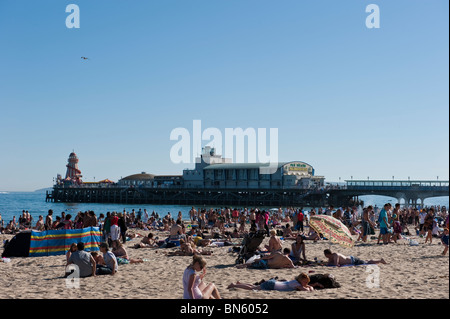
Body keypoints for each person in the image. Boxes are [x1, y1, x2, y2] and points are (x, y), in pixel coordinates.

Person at [227, 272, 315, 292]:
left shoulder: (295, 281)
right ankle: (234, 285)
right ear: (301, 280)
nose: (305, 283)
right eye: (305, 282)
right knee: (252, 288)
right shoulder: (297, 284)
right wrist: (310, 287)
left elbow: (304, 287)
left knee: (253, 286)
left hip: (273, 283)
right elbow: (306, 290)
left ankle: (239, 284)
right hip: (272, 285)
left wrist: (307, 285)